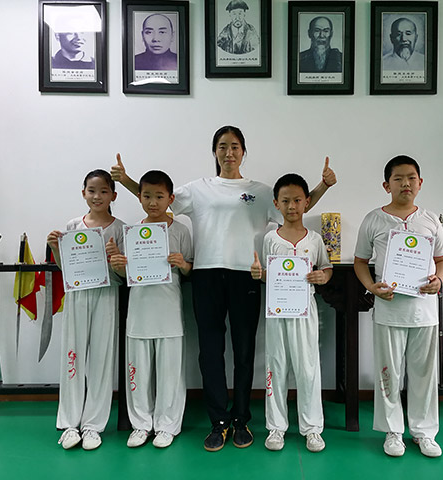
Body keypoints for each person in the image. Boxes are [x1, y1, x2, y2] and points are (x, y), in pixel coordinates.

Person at [110, 125, 336, 452]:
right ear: (214, 151)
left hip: (247, 276)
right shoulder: (198, 189)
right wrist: (126, 181)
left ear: (244, 151)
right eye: (222, 146)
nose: (228, 153)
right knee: (211, 352)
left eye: (234, 146)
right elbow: (157, 197)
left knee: (244, 352)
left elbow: (296, 205)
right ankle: (218, 421)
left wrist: (323, 186)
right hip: (206, 275)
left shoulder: (260, 191)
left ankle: (241, 418)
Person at [353, 155, 443, 458]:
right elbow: (360, 261)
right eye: (398, 178)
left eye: (411, 178)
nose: (405, 183)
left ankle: (423, 432)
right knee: (388, 374)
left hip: (424, 311)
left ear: (420, 184)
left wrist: (440, 281)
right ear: (387, 185)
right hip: (389, 309)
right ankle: (393, 432)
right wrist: (371, 287)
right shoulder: (374, 220)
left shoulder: (431, 220)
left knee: (423, 375)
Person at [108, 170, 193, 449]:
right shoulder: (130, 232)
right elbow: (123, 275)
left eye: (159, 196)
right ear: (139, 198)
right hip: (139, 311)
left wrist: (182, 264)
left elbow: (191, 270)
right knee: (139, 370)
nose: (152, 202)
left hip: (169, 311)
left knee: (170, 372)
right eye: (147, 196)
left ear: (170, 198)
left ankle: (167, 425)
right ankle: (141, 424)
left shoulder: (180, 230)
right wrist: (118, 266)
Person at [250, 173, 332, 453]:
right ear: (276, 203)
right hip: (276, 313)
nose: (292, 206)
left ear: (307, 202)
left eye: (297, 200)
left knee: (308, 369)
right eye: (285, 201)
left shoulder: (316, 239)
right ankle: (276, 427)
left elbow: (326, 268)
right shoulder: (270, 239)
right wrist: (258, 275)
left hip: (305, 312)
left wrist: (323, 276)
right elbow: (265, 275)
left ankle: (312, 428)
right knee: (277, 366)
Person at [47, 170, 125, 451]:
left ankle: (93, 425)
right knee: (73, 354)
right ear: (83, 193)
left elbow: (126, 274)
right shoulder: (72, 226)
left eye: (104, 191)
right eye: (92, 190)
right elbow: (64, 268)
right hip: (78, 296)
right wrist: (56, 248)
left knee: (101, 360)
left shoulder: (120, 229)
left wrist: (115, 258)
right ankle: (69, 424)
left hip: (106, 295)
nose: (97, 196)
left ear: (113, 196)